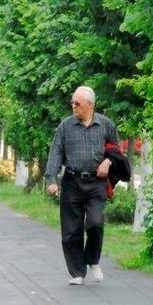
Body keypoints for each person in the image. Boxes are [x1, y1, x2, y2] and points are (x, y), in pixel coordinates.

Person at [45, 86, 120, 285]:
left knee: (95, 223)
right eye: (72, 103)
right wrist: (52, 180)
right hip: (72, 182)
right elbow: (55, 154)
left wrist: (108, 162)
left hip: (97, 183)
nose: (73, 106)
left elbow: (116, 151)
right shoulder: (65, 126)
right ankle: (77, 272)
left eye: (77, 104)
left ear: (90, 105)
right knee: (71, 230)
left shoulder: (106, 125)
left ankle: (92, 259)